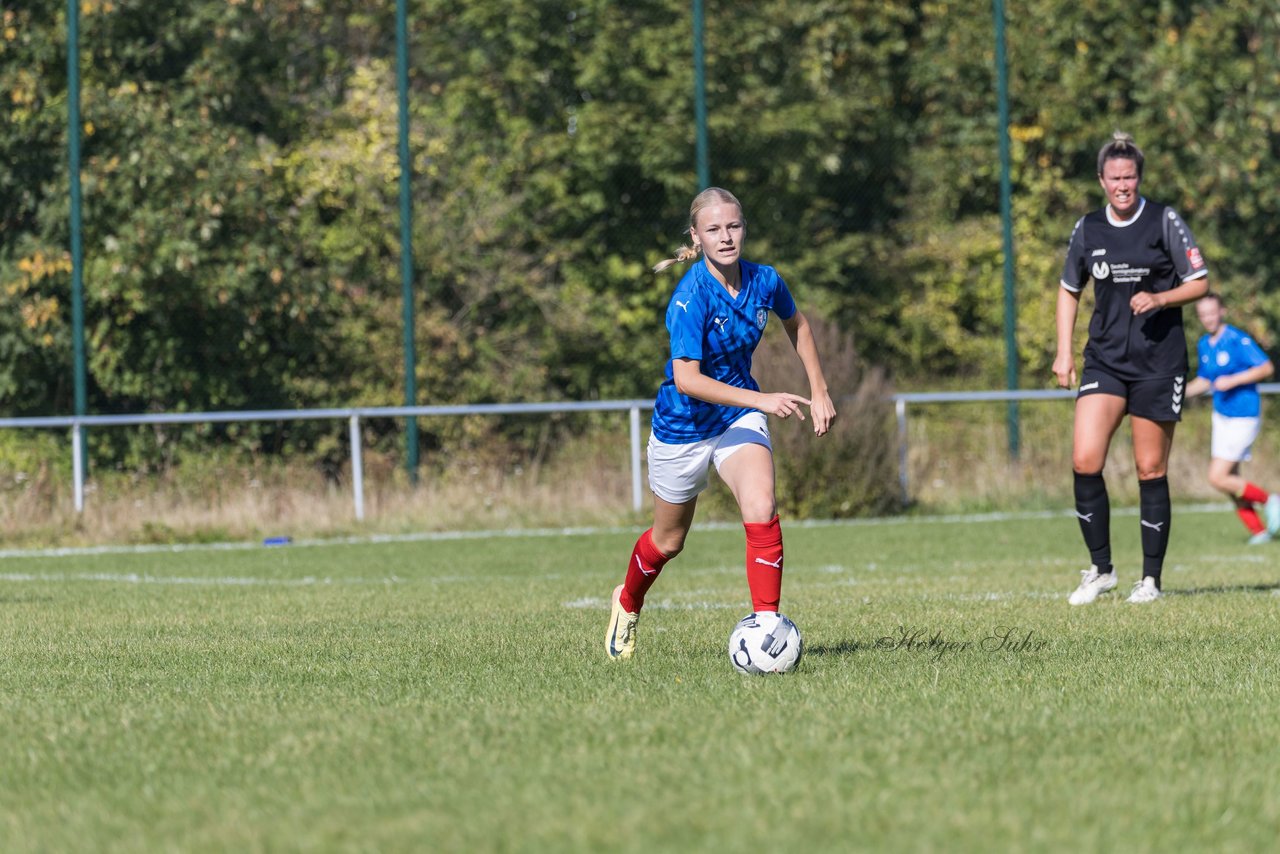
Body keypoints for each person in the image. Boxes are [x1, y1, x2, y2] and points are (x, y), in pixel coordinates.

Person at [605, 187, 837, 660]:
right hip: (683, 427)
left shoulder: (764, 280)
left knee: (761, 502)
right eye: (713, 229)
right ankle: (627, 602)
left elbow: (799, 326)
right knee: (668, 541)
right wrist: (764, 397)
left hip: (737, 416)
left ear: (744, 229)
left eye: (733, 226)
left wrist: (820, 390)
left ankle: (768, 629)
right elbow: (687, 380)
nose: (725, 237)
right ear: (697, 236)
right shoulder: (690, 298)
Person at [1053, 131, 1210, 605]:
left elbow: (1199, 282)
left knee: (1149, 469)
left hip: (1158, 364)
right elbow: (1069, 290)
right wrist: (1063, 352)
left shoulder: (1164, 220)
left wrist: (1162, 297)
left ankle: (1151, 581)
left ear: (1139, 178)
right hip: (1105, 359)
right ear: (1101, 180)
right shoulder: (1088, 229)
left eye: (1130, 177)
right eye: (1115, 178)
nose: (1123, 185)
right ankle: (1100, 570)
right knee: (1085, 459)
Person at [1186, 293, 1280, 543]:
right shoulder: (1205, 344)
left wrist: (1234, 380)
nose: (1208, 318)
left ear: (1222, 311)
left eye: (1212, 312)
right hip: (1222, 415)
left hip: (1244, 415)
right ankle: (1258, 531)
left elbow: (1265, 367)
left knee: (1217, 477)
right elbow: (1205, 380)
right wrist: (1178, 393)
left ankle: (1270, 500)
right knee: (1231, 479)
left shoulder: (1236, 338)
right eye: (1203, 314)